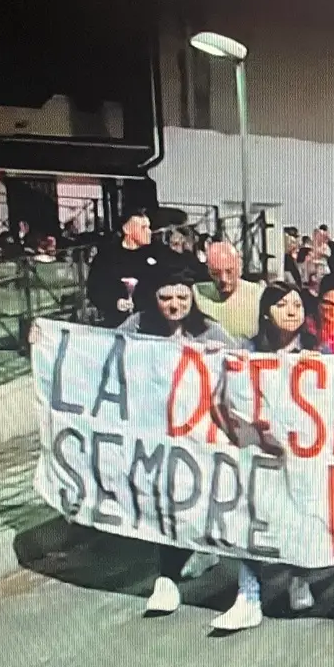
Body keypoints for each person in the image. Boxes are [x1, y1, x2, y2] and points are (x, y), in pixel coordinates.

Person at [112, 261, 238, 618]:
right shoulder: (137, 326)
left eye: (182, 297)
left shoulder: (208, 330)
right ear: (154, 299)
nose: (174, 305)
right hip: (157, 432)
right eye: (166, 298)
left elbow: (243, 360)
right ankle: (165, 580)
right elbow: (101, 350)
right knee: (166, 501)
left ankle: (203, 547)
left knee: (196, 496)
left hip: (199, 432)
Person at [214, 281, 326, 631]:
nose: (292, 311)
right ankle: (248, 595)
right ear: (266, 313)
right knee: (252, 516)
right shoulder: (246, 350)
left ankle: (299, 578)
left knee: (298, 513)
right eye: (282, 305)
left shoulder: (317, 350)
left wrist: (321, 367)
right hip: (258, 449)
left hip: (301, 452)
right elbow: (223, 391)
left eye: (297, 305)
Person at [86, 208, 161, 328]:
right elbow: (95, 288)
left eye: (149, 227)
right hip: (114, 323)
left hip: (150, 323)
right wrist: (114, 303)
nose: (149, 232)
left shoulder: (157, 253)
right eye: (143, 228)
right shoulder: (107, 256)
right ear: (127, 229)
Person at [192, 241, 266, 342]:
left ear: (239, 268)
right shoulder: (197, 293)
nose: (223, 279)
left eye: (229, 271)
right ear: (208, 270)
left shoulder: (259, 294)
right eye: (215, 273)